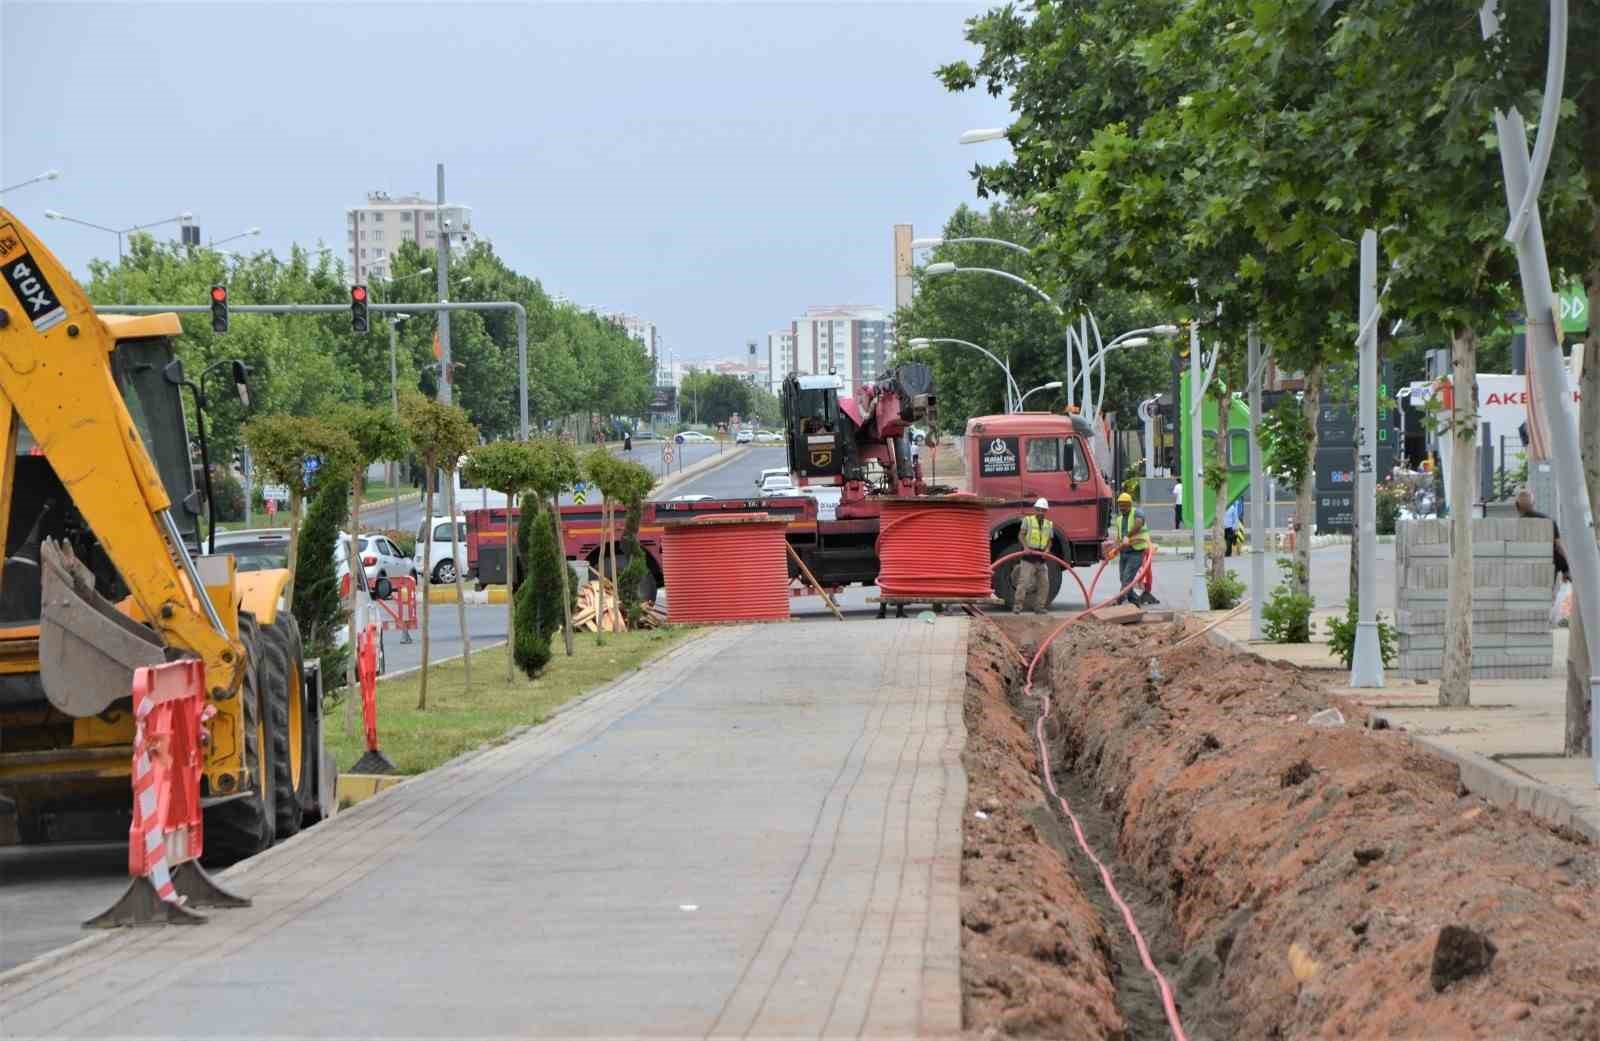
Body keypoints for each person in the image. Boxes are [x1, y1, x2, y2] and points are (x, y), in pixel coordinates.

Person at [1516, 490, 1569, 584]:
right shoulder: (1548, 521)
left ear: (1517, 506)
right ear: (1533, 503)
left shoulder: (1515, 526)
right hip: (1548, 566)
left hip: (1525, 569)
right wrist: (1566, 569)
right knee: (1545, 594)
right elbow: (1559, 547)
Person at [1013, 498, 1054, 616]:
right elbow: (1021, 535)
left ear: (1046, 511)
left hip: (1041, 559)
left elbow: (1050, 540)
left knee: (1044, 584)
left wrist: (1047, 550)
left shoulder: (1049, 524)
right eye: (1039, 509)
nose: (1041, 512)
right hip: (1028, 558)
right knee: (1023, 583)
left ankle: (1039, 607)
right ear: (1035, 509)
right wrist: (1025, 548)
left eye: (1043, 510)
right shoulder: (1028, 521)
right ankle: (1017, 607)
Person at [1109, 492, 1151, 605]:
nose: (1122, 507)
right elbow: (1119, 538)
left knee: (1127, 578)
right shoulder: (1119, 519)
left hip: (1136, 552)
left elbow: (1138, 524)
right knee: (1123, 578)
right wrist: (1114, 549)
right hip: (1124, 553)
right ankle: (1134, 601)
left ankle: (1118, 600)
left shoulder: (1137, 512)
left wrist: (1128, 535)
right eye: (1120, 505)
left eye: (1124, 504)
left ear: (1130, 504)